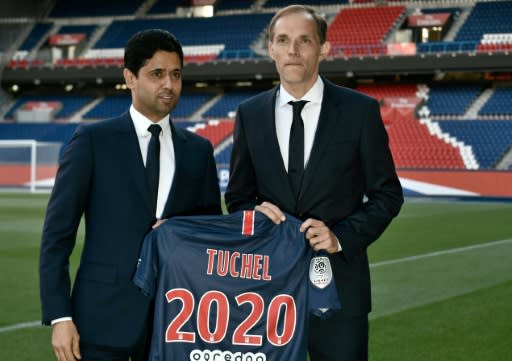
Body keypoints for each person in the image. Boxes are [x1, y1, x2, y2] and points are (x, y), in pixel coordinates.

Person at [225, 5, 403, 361]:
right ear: (271, 49)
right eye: (283, 40)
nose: (292, 50)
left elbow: (387, 194)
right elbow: (238, 196)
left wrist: (341, 237)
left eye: (304, 40)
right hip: (268, 290)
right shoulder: (250, 114)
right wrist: (255, 213)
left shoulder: (359, 111)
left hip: (340, 290)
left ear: (323, 49)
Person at [39, 29, 222, 361]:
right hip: (99, 322)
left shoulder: (199, 150)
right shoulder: (93, 141)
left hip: (174, 322)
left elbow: (210, 231)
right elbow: (57, 235)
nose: (169, 84)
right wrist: (60, 316)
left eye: (176, 74)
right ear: (130, 78)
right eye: (157, 74)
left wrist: (182, 229)